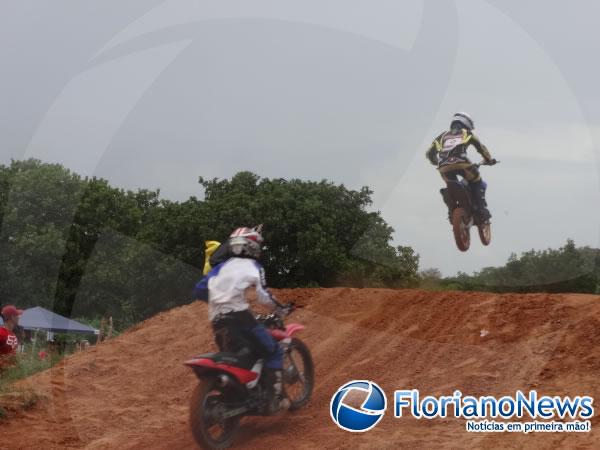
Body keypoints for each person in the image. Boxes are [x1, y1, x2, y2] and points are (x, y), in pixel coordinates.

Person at [192, 225, 289, 414]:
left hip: (217, 321)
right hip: (241, 318)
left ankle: (244, 394)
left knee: (240, 357)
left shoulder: (219, 268)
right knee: (274, 350)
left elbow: (199, 290)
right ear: (252, 246)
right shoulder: (254, 266)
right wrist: (281, 309)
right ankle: (276, 398)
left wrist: (219, 299)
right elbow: (263, 295)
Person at [426, 112, 497, 222]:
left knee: (450, 184)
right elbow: (481, 148)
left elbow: (429, 153)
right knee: (477, 181)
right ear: (467, 123)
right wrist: (489, 160)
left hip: (443, 167)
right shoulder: (467, 133)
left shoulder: (441, 136)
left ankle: (451, 212)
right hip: (462, 164)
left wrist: (437, 162)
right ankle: (481, 210)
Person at [0, 305, 23, 370]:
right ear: (12, 317)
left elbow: (12, 354)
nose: (19, 317)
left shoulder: (13, 335)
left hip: (11, 375)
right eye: (17, 315)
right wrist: (4, 365)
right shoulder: (1, 333)